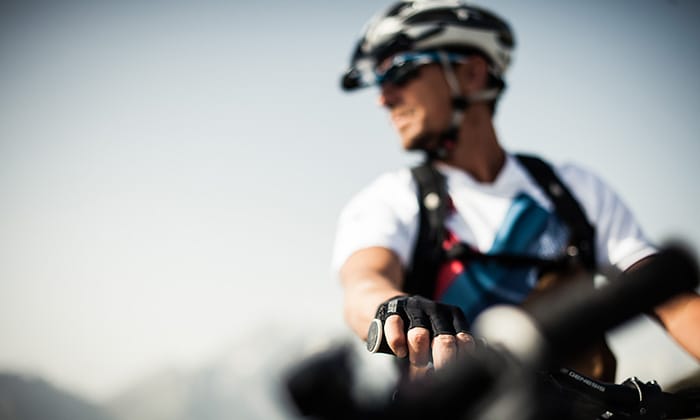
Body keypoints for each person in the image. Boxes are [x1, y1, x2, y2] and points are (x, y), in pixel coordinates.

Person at [332, 0, 700, 382]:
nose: (383, 97)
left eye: (399, 71)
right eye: (378, 80)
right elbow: (363, 285)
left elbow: (669, 301)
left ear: (472, 74)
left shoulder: (571, 188)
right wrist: (393, 306)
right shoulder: (391, 198)